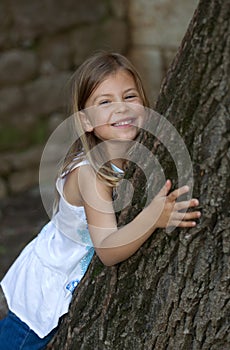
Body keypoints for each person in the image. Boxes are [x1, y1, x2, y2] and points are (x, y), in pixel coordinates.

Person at [0, 51, 201, 349]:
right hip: (45, 293)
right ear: (86, 121)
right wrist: (154, 217)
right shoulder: (89, 174)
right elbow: (107, 249)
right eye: (105, 102)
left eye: (129, 96)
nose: (121, 108)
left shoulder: (138, 157)